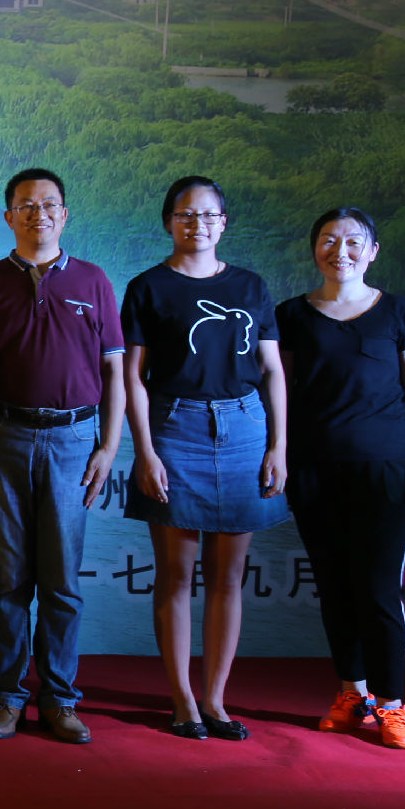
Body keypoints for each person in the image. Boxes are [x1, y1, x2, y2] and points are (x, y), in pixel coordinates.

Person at [0, 168, 122, 747]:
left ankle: (60, 698)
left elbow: (114, 372)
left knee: (62, 581)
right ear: (9, 216)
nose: (39, 214)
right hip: (3, 436)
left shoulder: (95, 281)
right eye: (26, 205)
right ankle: (7, 695)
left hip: (75, 442)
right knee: (6, 581)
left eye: (49, 204)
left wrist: (108, 447)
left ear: (65, 215)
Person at [121, 175, 289, 741]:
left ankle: (216, 699)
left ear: (224, 222)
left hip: (245, 428)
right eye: (186, 215)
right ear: (169, 221)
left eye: (209, 214)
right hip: (175, 427)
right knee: (175, 575)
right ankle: (183, 700)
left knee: (228, 577)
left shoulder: (250, 286)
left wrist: (278, 445)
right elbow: (134, 376)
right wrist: (145, 451)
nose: (198, 224)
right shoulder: (148, 287)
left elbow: (272, 370)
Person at [276, 208, 405, 750]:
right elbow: (280, 392)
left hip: (384, 468)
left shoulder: (398, 312)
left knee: (380, 589)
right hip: (314, 469)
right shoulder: (292, 315)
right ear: (314, 249)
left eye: (352, 242)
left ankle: (392, 705)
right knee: (335, 587)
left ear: (372, 252)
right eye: (328, 240)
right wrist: (279, 454)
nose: (339, 251)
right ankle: (352, 692)